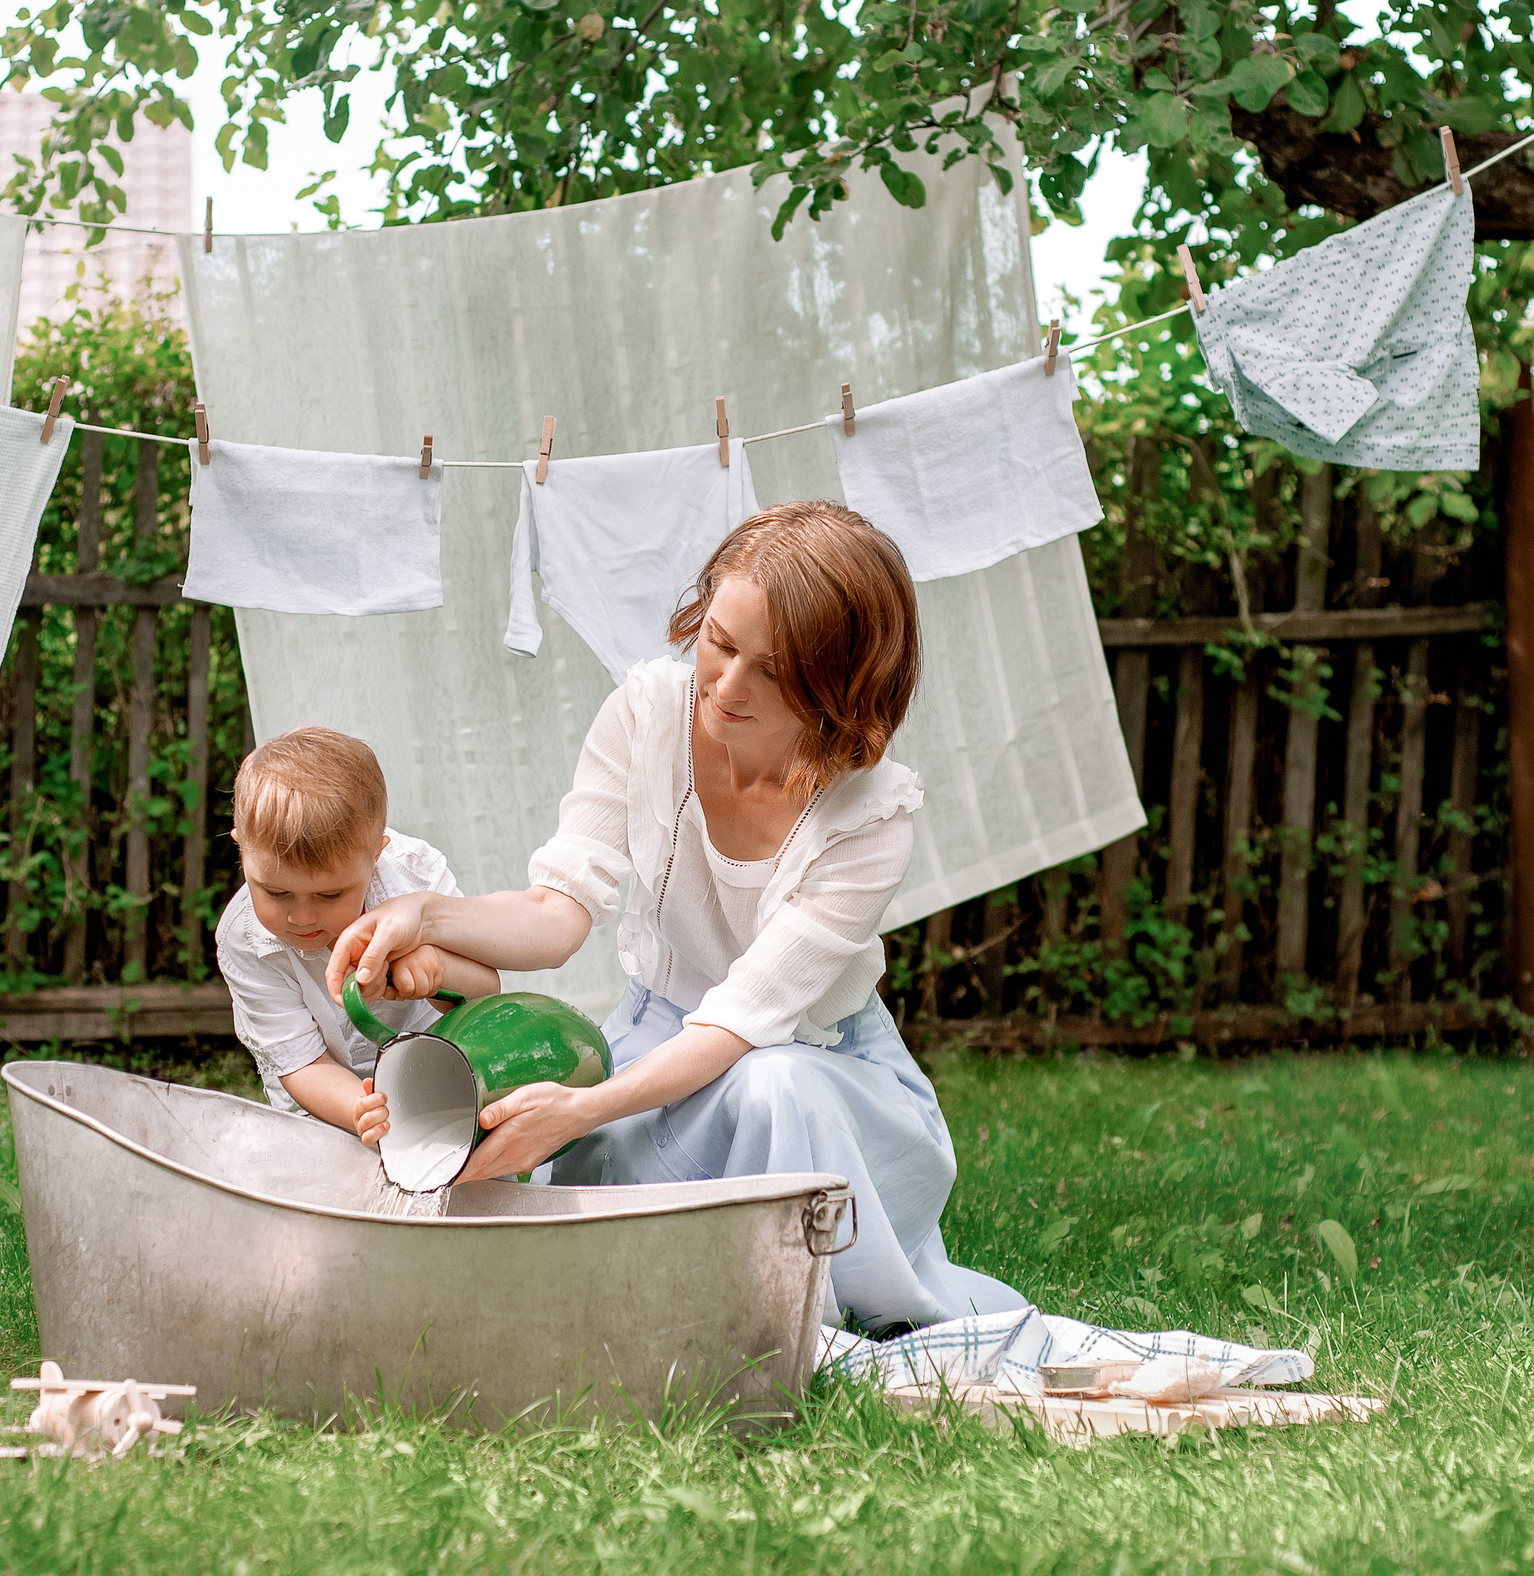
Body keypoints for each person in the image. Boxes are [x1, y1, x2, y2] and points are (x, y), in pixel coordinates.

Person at [328, 502, 1025, 1330]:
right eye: (720, 643)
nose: (724, 686)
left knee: (772, 1085)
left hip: (814, 1070)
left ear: (839, 688)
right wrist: (424, 915)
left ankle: (796, 1314)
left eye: (770, 672)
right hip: (655, 1040)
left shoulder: (870, 818)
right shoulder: (646, 716)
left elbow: (741, 1022)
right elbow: (558, 912)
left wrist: (587, 1107)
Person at [216, 727, 501, 1146]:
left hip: (444, 1083)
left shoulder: (416, 878)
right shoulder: (246, 942)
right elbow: (300, 1062)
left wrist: (438, 971)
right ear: (241, 849)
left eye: (331, 894)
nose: (302, 915)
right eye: (276, 893)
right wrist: (359, 1108)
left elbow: (486, 996)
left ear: (377, 854)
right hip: (323, 1108)